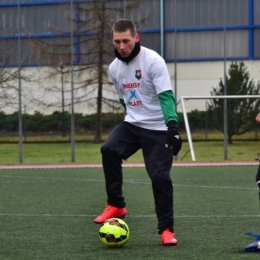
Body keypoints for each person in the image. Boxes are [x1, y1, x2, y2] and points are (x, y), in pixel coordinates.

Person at [93, 19, 182, 245]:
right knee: (109, 149)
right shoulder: (114, 67)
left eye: (126, 40)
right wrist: (131, 117)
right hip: (133, 124)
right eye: (117, 41)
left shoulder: (153, 61)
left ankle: (166, 230)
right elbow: (124, 99)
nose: (122, 46)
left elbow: (166, 97)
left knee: (160, 177)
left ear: (136, 37)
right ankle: (116, 205)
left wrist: (173, 128)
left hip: (159, 128)